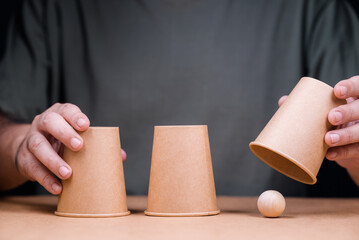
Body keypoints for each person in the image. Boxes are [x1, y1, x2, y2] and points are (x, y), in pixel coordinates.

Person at [0, 0, 358, 197]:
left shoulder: (315, 8)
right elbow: (6, 129)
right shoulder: (50, 7)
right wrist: (19, 146)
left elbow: (350, 123)